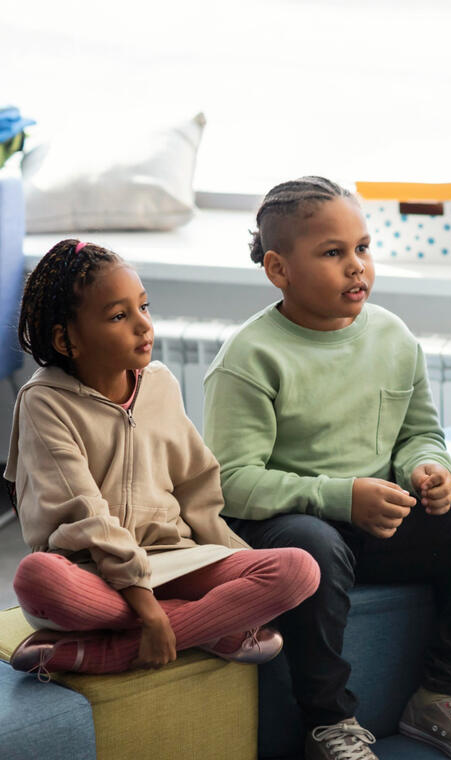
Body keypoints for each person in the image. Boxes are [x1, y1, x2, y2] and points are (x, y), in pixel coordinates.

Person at [203, 177, 451, 760]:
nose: (357, 266)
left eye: (363, 247)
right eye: (333, 253)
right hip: (292, 528)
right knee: (314, 544)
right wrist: (340, 497)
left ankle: (441, 695)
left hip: (378, 521)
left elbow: (418, 432)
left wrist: (428, 468)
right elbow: (231, 484)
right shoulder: (249, 357)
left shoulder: (392, 336)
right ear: (279, 269)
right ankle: (328, 724)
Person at [5, 240, 319, 678]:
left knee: (298, 569)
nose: (143, 326)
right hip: (89, 572)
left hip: (175, 559)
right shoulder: (44, 404)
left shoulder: (160, 384)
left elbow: (198, 487)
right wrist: (153, 611)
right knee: (36, 578)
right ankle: (207, 628)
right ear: (66, 339)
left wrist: (229, 560)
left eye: (144, 307)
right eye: (119, 316)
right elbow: (85, 516)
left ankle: (107, 653)